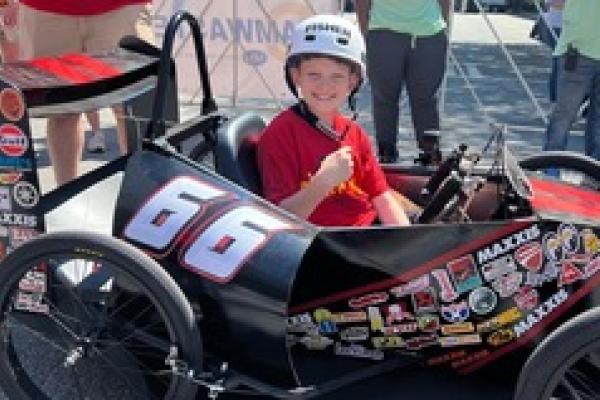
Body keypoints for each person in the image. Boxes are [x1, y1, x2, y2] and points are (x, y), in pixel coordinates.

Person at [256, 14, 412, 227]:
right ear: (296, 76)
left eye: (336, 76)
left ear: (353, 81)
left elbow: (381, 197)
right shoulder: (281, 134)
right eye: (314, 75)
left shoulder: (354, 133)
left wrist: (405, 242)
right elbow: (280, 219)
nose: (324, 86)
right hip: (328, 245)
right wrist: (323, 181)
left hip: (371, 236)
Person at [17, 1, 154, 185]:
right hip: (47, 10)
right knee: (62, 111)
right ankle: (65, 202)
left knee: (131, 108)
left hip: (122, 8)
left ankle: (141, 200)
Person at [356, 0, 450, 165]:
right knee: (385, 98)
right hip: (383, 31)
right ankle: (387, 153)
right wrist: (367, 34)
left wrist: (441, 25)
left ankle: (430, 153)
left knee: (426, 98)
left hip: (429, 33)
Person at [543, 0, 600, 161]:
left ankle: (552, 169)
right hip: (576, 52)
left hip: (576, 52)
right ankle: (551, 168)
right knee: (564, 116)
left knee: (564, 116)